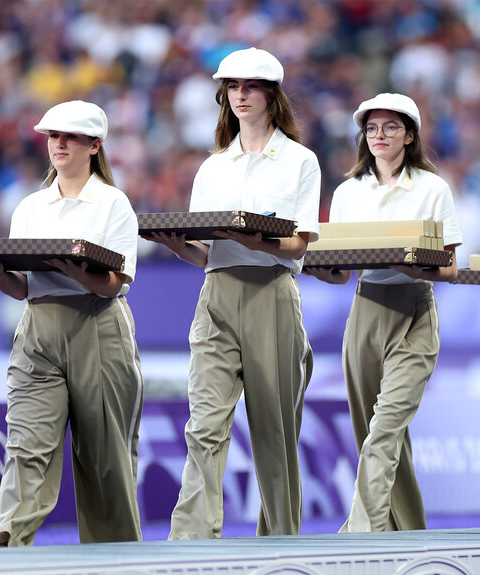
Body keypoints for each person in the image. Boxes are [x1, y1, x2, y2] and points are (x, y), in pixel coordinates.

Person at [144, 47, 320, 539]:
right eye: (233, 88)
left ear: (272, 95)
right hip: (216, 294)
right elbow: (207, 251)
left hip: (273, 295)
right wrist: (179, 247)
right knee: (204, 423)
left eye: (251, 87)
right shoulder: (212, 168)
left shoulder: (300, 162)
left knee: (275, 433)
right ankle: (192, 540)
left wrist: (247, 237)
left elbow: (298, 247)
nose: (240, 96)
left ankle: (281, 541)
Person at [0, 100, 144, 546]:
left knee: (105, 458)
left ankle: (117, 554)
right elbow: (22, 287)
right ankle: (7, 534)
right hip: (37, 327)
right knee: (26, 441)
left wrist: (72, 269)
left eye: (70, 136)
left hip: (98, 326)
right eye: (52, 136)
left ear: (94, 145)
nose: (59, 144)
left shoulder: (113, 204)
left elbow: (112, 285)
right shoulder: (30, 206)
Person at [306, 93, 461, 532]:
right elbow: (340, 273)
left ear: (410, 135)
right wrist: (316, 267)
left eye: (391, 127)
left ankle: (361, 531)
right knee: (376, 435)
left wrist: (405, 262)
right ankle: (410, 536)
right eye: (372, 129)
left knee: (385, 428)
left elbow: (448, 268)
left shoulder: (433, 188)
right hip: (364, 311)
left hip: (414, 311)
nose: (379, 136)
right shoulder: (349, 192)